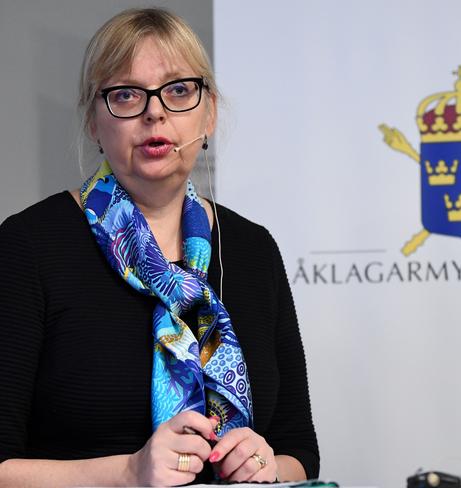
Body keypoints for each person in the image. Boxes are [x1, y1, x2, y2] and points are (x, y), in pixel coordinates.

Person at [0, 7, 318, 487]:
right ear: (93, 120)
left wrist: (265, 465)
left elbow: (299, 451)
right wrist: (128, 472)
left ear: (208, 112)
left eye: (178, 90)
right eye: (125, 94)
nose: (155, 111)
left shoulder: (253, 249)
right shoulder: (28, 246)